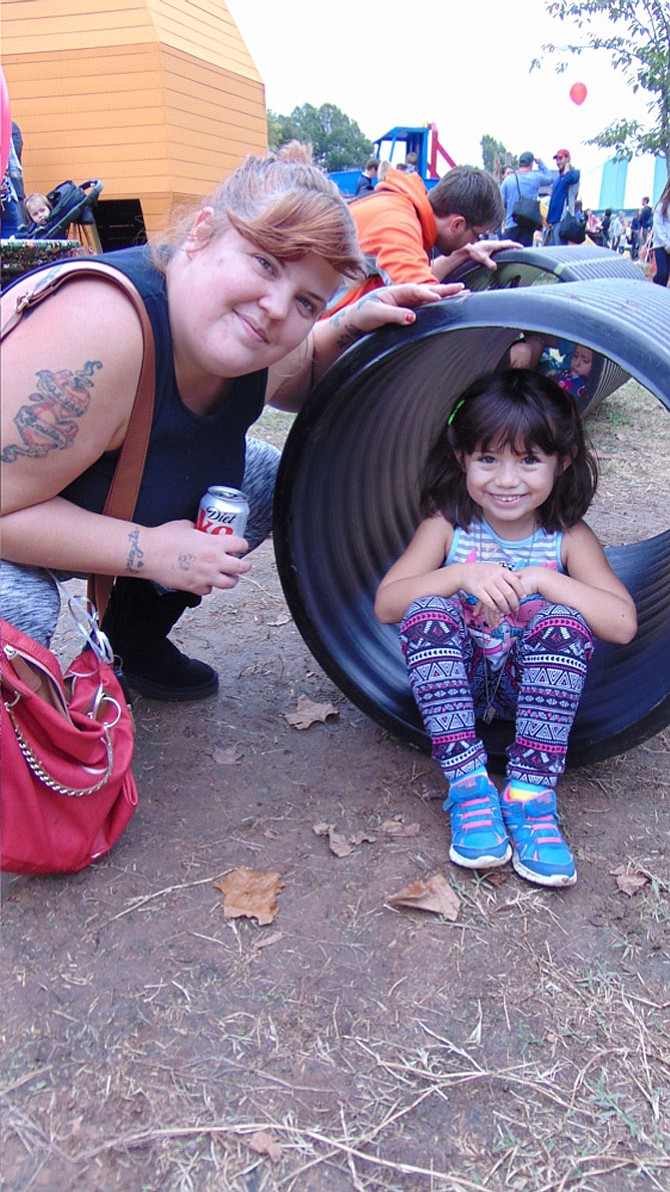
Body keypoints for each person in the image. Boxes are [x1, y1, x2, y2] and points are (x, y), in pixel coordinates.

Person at [1, 143, 463, 701]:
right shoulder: (96, 330)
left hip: (73, 506)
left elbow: (303, 368)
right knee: (19, 602)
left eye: (306, 302)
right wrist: (151, 550)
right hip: (14, 517)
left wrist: (350, 326)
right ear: (200, 233)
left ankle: (130, 643)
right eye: (266, 263)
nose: (275, 308)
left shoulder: (252, 337)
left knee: (260, 478)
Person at [375, 369, 637, 887]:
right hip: (458, 689)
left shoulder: (566, 537)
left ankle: (529, 798)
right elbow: (388, 603)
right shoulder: (448, 524)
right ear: (462, 459)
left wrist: (546, 580)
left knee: (563, 620)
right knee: (427, 610)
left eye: (529, 459)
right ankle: (469, 787)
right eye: (488, 458)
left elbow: (624, 623)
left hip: (530, 696)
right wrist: (457, 575)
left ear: (561, 463)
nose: (507, 479)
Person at [328, 165, 516, 315]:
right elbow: (427, 300)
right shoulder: (397, 222)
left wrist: (465, 253)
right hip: (313, 338)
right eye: (477, 236)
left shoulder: (405, 207)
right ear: (457, 224)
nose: (473, 243)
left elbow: (418, 277)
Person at [500, 151, 554, 247]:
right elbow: (550, 178)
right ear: (531, 164)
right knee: (523, 257)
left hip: (511, 224)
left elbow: (500, 204)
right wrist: (541, 164)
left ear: (519, 163)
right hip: (528, 225)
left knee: (506, 256)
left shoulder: (508, 180)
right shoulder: (536, 178)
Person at [543, 149, 580, 246]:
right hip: (553, 221)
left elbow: (568, 179)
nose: (558, 162)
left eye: (561, 158)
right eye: (557, 159)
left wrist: (567, 169)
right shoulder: (558, 179)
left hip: (563, 220)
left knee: (559, 252)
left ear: (568, 159)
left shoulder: (574, 174)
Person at [650, 176, 670, 288]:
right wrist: (666, 242)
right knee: (662, 273)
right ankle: (654, 288)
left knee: (666, 275)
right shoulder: (662, 205)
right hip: (661, 244)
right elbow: (657, 225)